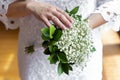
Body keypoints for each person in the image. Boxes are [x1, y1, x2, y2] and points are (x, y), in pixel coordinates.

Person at [0, 0, 120, 80]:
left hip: (82, 55)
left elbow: (115, 3)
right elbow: (3, 6)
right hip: (35, 57)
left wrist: (82, 28)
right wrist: (29, 5)